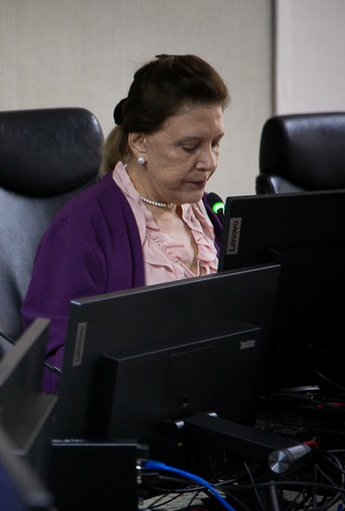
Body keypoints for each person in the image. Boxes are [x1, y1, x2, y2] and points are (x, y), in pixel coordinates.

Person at [22, 54, 229, 392]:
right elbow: (50, 369)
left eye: (216, 143)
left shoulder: (211, 215)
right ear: (139, 142)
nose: (208, 162)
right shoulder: (82, 227)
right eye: (189, 146)